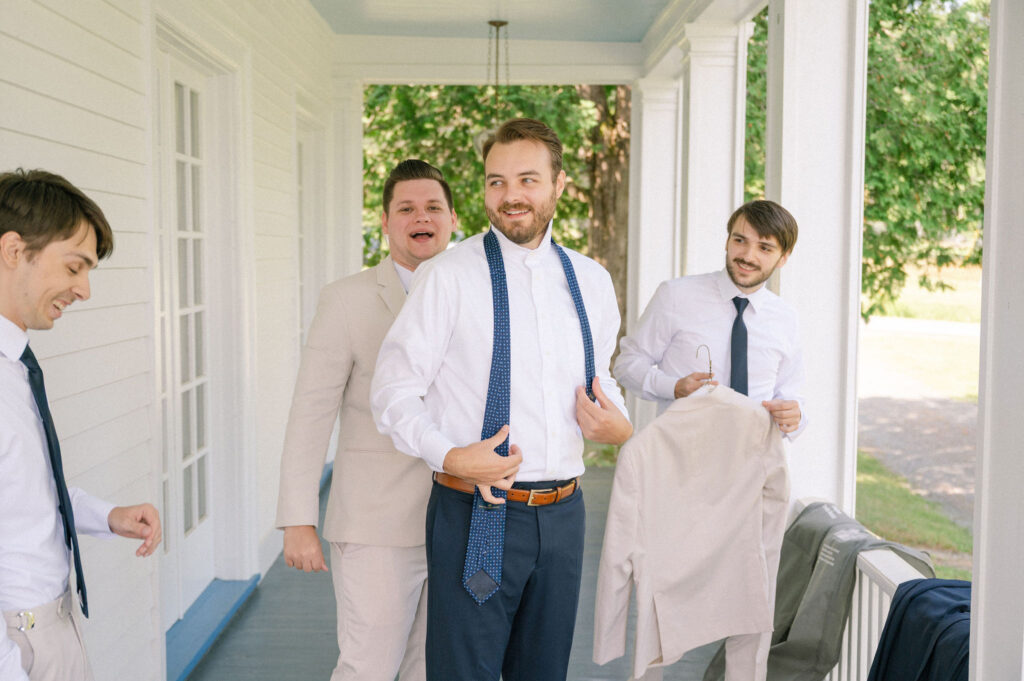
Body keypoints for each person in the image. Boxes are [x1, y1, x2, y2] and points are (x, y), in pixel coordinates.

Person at [371, 118, 633, 681]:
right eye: (495, 181)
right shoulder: (447, 277)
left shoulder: (591, 281)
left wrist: (622, 425)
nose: (510, 195)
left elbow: (599, 381)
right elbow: (392, 392)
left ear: (559, 185)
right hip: (474, 514)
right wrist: (449, 455)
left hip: (563, 518)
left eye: (527, 179)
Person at [275, 159, 456, 681]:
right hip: (375, 523)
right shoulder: (347, 300)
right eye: (406, 208)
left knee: (432, 667)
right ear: (385, 220)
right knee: (369, 667)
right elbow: (311, 412)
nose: (420, 217)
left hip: (459, 519)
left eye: (432, 207)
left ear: (451, 218)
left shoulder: (477, 293)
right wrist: (298, 519)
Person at [613, 199, 805, 680]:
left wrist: (794, 416)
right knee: (662, 589)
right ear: (727, 239)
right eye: (740, 240)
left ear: (782, 258)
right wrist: (670, 386)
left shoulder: (786, 321)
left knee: (754, 600)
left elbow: (792, 401)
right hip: (682, 474)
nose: (747, 254)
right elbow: (627, 362)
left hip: (752, 479)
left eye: (764, 247)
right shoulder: (677, 296)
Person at [0, 168, 162, 681]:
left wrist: (105, 515)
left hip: (48, 630)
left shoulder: (14, 364)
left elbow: (21, 487)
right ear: (12, 252)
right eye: (74, 267)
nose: (84, 289)